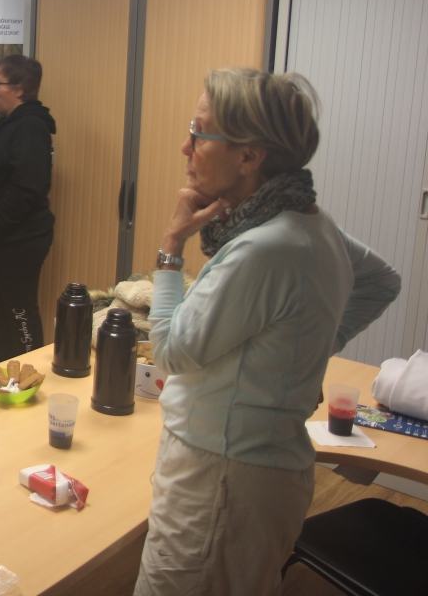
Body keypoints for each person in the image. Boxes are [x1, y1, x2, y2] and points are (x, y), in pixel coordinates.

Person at [134, 69, 401, 595]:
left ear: (249, 157)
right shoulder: (309, 222)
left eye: (199, 132)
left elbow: (170, 351)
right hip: (260, 471)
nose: (185, 146)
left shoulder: (265, 248)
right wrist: (307, 349)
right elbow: (381, 281)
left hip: (222, 480)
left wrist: (171, 245)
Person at [0, 55, 54, 361]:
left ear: (19, 89)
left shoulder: (31, 127)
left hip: (18, 240)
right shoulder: (7, 123)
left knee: (19, 311)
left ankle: (28, 372)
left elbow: (28, 188)